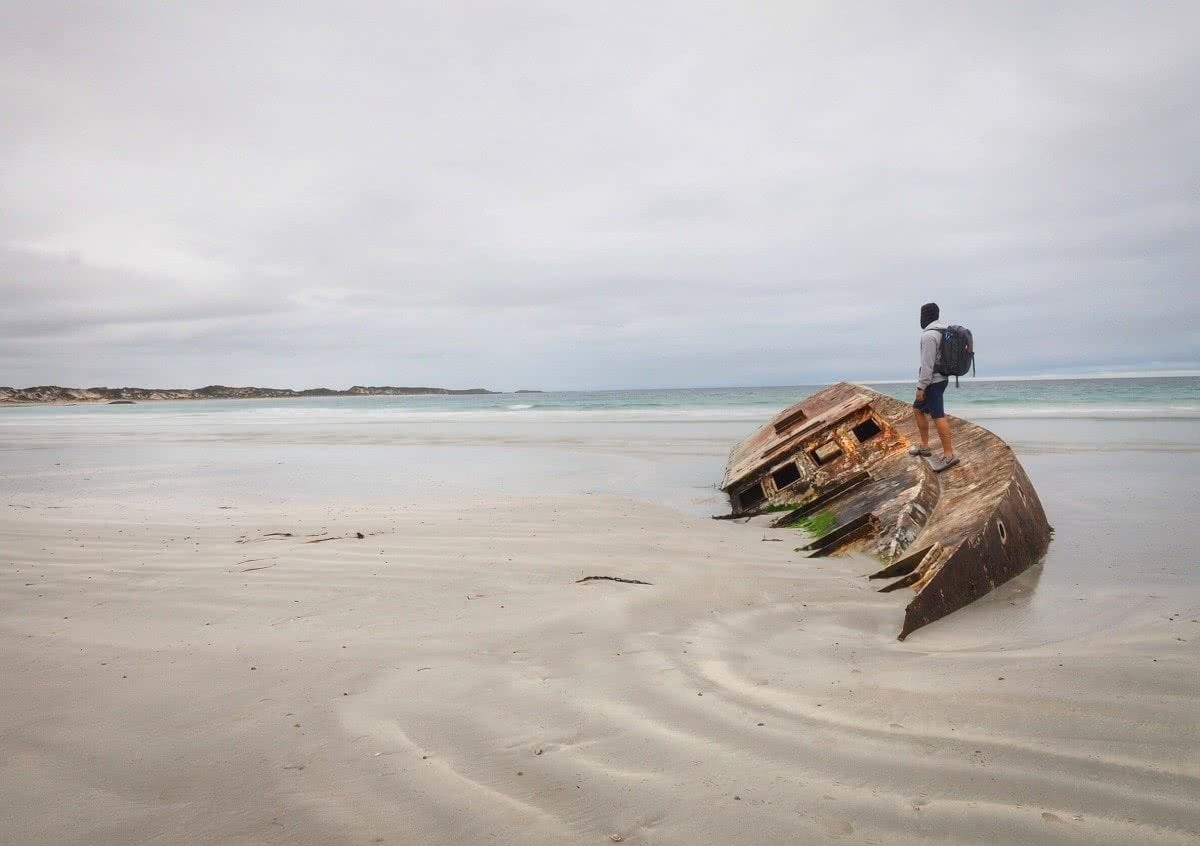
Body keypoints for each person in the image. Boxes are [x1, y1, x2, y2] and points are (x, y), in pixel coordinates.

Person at [910, 302, 959, 472]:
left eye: (922, 315)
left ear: (926, 316)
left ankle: (949, 455)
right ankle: (924, 446)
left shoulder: (929, 336)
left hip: (933, 381)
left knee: (938, 416)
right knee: (917, 409)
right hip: (941, 378)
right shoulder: (944, 331)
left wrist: (921, 387)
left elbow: (927, 365)